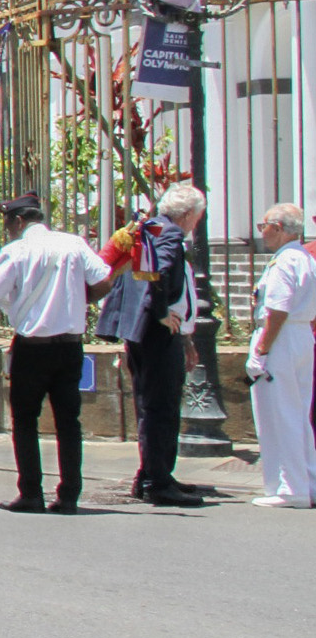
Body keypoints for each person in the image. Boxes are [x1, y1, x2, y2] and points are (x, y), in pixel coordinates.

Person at [0, 192, 118, 513]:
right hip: (70, 345)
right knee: (69, 421)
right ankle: (69, 494)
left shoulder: (16, 251)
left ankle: (31, 492)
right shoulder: (73, 244)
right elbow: (104, 280)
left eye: (7, 223)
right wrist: (79, 301)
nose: (6, 229)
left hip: (32, 347)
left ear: (18, 221)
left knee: (25, 420)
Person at [117, 182, 209, 508]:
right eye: (196, 218)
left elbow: (142, 271)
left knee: (150, 406)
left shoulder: (150, 227)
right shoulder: (169, 233)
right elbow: (155, 273)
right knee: (163, 408)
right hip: (157, 335)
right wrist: (160, 314)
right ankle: (158, 481)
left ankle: (153, 474)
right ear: (186, 215)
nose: (195, 224)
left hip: (141, 333)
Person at [248, 204, 316, 508]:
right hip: (300, 336)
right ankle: (307, 480)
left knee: (279, 414)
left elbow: (277, 310)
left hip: (282, 337)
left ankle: (289, 488)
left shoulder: (285, 262)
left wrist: (262, 349)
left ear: (279, 227)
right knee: (298, 413)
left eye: (265, 226)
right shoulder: (303, 258)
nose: (262, 231)